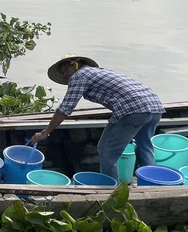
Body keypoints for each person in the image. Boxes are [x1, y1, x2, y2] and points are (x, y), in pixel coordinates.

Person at [31, 54, 165, 179]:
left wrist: (45, 132)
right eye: (62, 71)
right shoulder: (99, 72)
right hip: (154, 106)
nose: (64, 73)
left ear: (77, 65)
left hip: (133, 109)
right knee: (144, 146)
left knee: (106, 150)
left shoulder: (79, 75)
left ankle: (111, 192)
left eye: (66, 68)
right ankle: (151, 183)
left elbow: (65, 109)